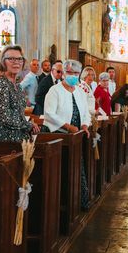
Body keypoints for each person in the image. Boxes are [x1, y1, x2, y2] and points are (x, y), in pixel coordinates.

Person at [43, 60, 91, 209]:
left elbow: (85, 112)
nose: (73, 76)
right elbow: (49, 114)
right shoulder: (54, 91)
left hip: (76, 137)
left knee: (77, 167)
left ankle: (79, 201)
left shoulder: (79, 91)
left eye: (76, 73)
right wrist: (67, 126)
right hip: (59, 136)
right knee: (62, 170)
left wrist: (85, 124)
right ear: (63, 73)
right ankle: (63, 204)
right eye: (70, 73)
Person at [0, 45, 40, 142]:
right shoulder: (1, 84)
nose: (16, 62)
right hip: (6, 139)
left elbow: (18, 114)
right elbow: (4, 118)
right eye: (11, 59)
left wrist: (29, 127)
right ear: (3, 62)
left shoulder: (17, 85)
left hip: (20, 137)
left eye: (19, 59)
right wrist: (28, 125)